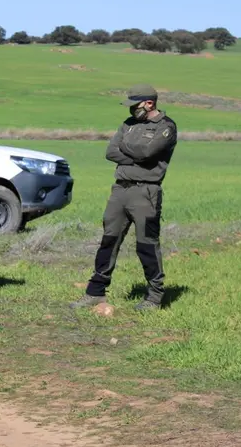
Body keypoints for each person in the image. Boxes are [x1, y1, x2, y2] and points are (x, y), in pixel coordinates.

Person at [70, 84, 178, 312]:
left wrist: (126, 148)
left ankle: (154, 296)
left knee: (146, 245)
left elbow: (148, 153)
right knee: (109, 241)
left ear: (149, 103)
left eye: (135, 105)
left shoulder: (166, 127)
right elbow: (110, 152)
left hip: (145, 192)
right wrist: (136, 153)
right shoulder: (128, 124)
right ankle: (95, 292)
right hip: (120, 190)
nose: (131, 111)